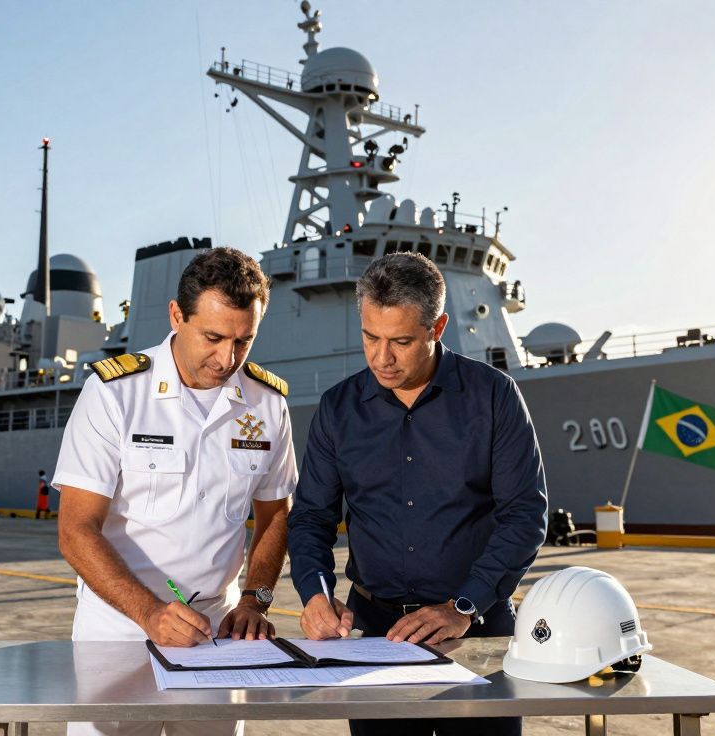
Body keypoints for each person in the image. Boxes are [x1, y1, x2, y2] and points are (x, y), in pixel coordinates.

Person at [287, 252, 548, 736]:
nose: (381, 358)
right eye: (370, 337)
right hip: (374, 635)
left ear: (438, 327)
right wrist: (316, 596)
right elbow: (310, 519)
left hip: (477, 630)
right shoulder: (337, 409)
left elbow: (524, 515)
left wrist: (463, 606)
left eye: (401, 341)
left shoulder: (494, 396)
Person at [54, 247, 298, 736]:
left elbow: (275, 516)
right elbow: (75, 530)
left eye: (243, 341)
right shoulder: (116, 393)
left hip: (217, 633)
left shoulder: (268, 404)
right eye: (213, 337)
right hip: (120, 632)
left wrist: (255, 601)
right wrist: (148, 613)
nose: (227, 358)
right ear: (176, 316)